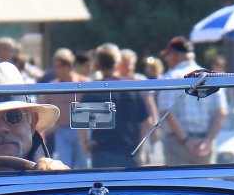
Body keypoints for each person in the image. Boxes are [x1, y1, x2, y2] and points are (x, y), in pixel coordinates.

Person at [157, 36, 226, 165]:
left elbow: (168, 113)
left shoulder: (170, 77)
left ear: (175, 56)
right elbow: (221, 112)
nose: (167, 60)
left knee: (178, 178)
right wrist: (208, 140)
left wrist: (186, 141)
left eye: (168, 56)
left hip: (178, 144)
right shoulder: (210, 77)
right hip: (205, 144)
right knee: (206, 178)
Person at [85, 45, 153, 168]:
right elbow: (147, 122)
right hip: (129, 151)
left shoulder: (93, 90)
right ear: (118, 63)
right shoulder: (131, 88)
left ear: (98, 64)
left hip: (102, 151)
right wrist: (139, 148)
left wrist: (86, 142)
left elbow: (81, 121)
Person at [37, 48, 88, 168]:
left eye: (58, 66)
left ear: (68, 66)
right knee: (64, 165)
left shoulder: (84, 83)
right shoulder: (52, 86)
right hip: (61, 131)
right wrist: (50, 125)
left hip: (81, 130)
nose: (55, 70)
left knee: (83, 165)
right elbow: (43, 106)